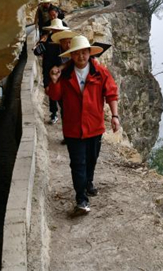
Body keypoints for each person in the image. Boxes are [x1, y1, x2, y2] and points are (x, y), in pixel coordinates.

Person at [47, 35, 120, 214]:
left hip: (94, 126)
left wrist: (114, 116)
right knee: (78, 163)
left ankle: (88, 182)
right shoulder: (64, 74)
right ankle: (81, 199)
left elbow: (111, 94)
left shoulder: (100, 72)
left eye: (84, 52)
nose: (81, 56)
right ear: (71, 55)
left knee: (91, 159)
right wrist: (54, 81)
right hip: (73, 128)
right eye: (77, 53)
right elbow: (55, 96)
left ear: (89, 53)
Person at [41, 18, 74, 124]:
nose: (68, 45)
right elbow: (46, 66)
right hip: (58, 80)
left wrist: (61, 67)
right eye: (65, 43)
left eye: (70, 42)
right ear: (60, 42)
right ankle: (55, 114)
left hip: (72, 82)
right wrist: (47, 83)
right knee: (62, 104)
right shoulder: (52, 50)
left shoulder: (75, 50)